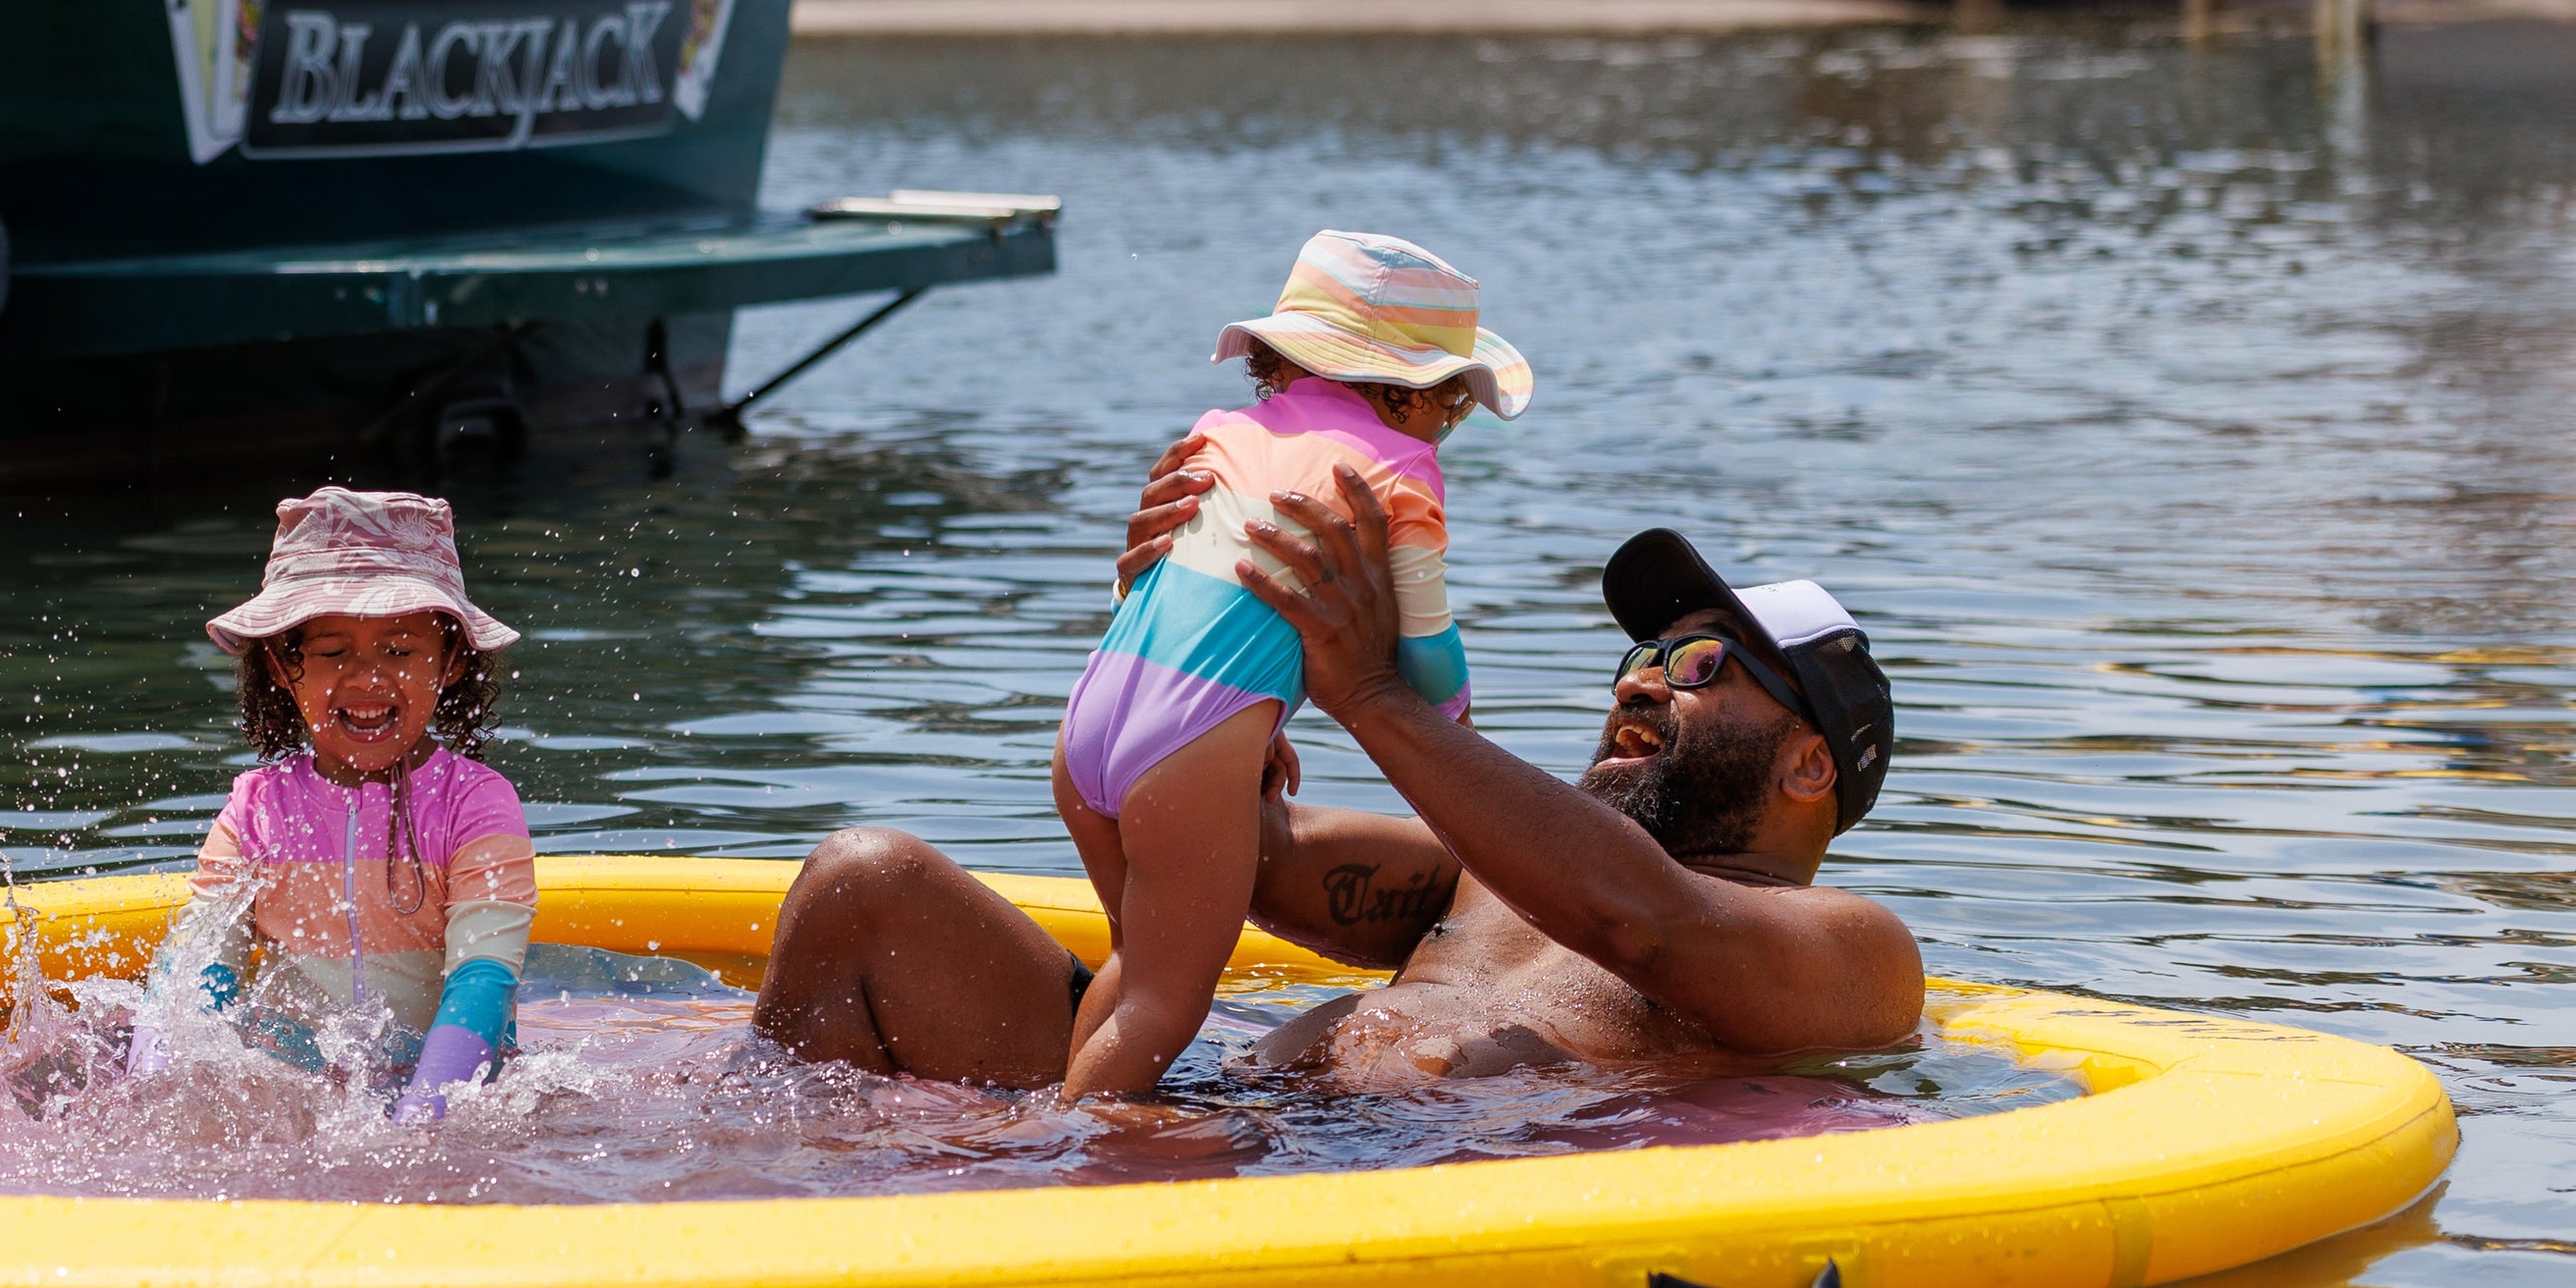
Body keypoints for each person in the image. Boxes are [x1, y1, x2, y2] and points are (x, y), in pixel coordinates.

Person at [755, 485, 1918, 1093]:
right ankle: (753, 1199)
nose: (1649, 684)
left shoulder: (1855, 947)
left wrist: (1373, 692)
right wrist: (1188, 621)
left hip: (1365, 1195)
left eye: (1702, 666)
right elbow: (1237, 859)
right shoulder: (1485, 875)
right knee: (868, 885)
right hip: (1227, 1107)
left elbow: (1643, 919)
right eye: (1642, 659)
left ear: (1812, 763)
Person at [1053, 231, 1529, 1100]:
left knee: (1137, 960)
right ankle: (1056, 1157)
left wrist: (1251, 728)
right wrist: (1455, 724)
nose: (1451, 428)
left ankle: (1063, 1107)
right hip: (1184, 757)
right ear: (1415, 397)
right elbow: (1424, 660)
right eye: (1457, 407)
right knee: (1164, 1004)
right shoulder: (1399, 469)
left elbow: (1173, 599)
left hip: (1088, 723)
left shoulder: (1219, 431)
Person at [179, 487, 537, 1123]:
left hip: (449, 1091)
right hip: (296, 1093)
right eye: (331, 652)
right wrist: (158, 1094)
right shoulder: (256, 810)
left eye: (400, 650)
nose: (367, 679)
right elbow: (197, 972)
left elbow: (482, 980)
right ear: (285, 669)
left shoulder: (477, 806)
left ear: (451, 660)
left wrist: (421, 1122)